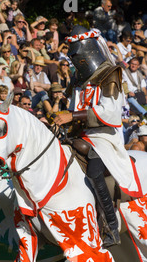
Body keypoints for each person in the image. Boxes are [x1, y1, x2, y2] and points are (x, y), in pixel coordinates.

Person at [53, 25, 144, 247]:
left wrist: (73, 115)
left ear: (87, 51)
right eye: (71, 56)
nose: (74, 60)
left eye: (76, 55)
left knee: (94, 171)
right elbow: (71, 105)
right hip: (79, 133)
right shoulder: (77, 79)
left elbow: (110, 112)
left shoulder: (109, 74)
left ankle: (110, 226)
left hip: (103, 136)